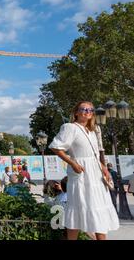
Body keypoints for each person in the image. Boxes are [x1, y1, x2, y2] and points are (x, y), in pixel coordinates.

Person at [49, 101, 119, 240]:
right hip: (81, 173)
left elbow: (95, 154)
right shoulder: (70, 127)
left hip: (96, 173)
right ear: (76, 112)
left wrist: (103, 168)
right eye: (84, 109)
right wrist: (72, 163)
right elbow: (56, 147)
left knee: (99, 207)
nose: (88, 112)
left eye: (91, 110)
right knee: (77, 207)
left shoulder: (93, 130)